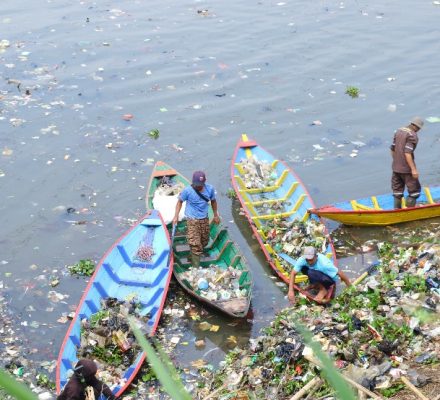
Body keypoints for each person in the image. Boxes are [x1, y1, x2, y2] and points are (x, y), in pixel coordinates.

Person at [172, 171, 220, 268]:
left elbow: (213, 201)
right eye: (197, 185)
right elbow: (179, 202)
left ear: (205, 181)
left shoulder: (210, 189)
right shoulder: (187, 191)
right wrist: (176, 216)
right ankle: (195, 269)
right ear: (193, 182)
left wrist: (215, 215)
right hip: (192, 219)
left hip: (204, 219)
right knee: (195, 244)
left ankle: (192, 255)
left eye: (200, 185)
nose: (199, 187)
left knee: (204, 242)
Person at [390, 117, 424, 209]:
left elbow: (392, 149)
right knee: (414, 192)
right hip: (406, 169)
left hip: (396, 168)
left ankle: (397, 210)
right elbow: (407, 153)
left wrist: (397, 162)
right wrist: (413, 169)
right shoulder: (412, 135)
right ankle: (409, 210)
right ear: (417, 127)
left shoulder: (398, 131)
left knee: (397, 191)